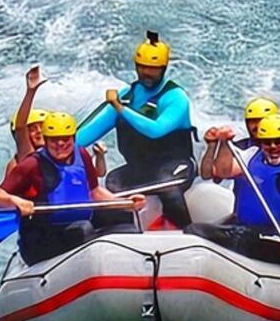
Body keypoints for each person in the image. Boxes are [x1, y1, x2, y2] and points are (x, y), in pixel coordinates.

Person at [0, 112, 145, 264]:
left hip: (75, 224)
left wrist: (126, 203)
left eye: (65, 139)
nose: (60, 145)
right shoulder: (31, 164)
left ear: (73, 138)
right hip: (40, 238)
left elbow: (95, 191)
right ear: (46, 140)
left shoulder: (82, 154)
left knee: (124, 217)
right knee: (82, 229)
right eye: (54, 140)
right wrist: (16, 202)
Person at [76, 31, 196, 227]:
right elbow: (85, 136)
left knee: (167, 185)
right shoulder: (126, 96)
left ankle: (187, 232)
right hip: (142, 168)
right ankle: (123, 232)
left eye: (153, 69)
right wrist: (57, 144)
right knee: (113, 182)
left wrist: (121, 109)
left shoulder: (176, 97)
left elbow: (156, 130)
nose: (147, 73)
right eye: (142, 67)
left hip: (177, 164)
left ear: (163, 68)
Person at [185, 114, 280, 265]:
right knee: (198, 230)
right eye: (267, 143)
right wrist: (223, 143)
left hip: (279, 240)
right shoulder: (252, 155)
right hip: (248, 230)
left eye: (278, 141)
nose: (273, 147)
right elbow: (223, 172)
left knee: (197, 231)